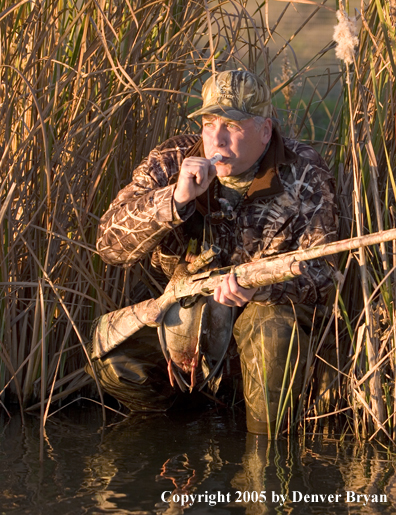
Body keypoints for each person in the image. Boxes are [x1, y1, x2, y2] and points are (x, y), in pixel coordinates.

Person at [90, 69, 338, 434]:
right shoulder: (172, 161)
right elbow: (108, 246)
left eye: (233, 126)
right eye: (209, 122)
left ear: (265, 130)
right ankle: (173, 435)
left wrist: (260, 289)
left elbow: (325, 276)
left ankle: (264, 462)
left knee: (271, 331)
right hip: (184, 322)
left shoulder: (303, 173)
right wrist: (173, 201)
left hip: (259, 321)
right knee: (113, 354)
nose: (216, 138)